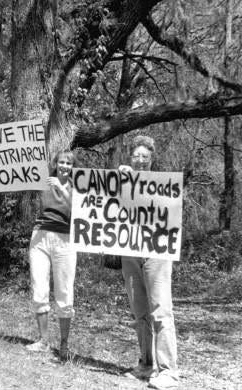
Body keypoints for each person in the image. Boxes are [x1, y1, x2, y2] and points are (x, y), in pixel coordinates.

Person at [118, 135, 179, 390]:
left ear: (151, 159)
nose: (140, 160)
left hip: (156, 253)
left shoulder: (162, 185)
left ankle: (169, 371)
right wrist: (120, 179)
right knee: (140, 311)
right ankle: (145, 364)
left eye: (145, 156)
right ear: (130, 157)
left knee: (160, 310)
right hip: (129, 252)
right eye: (136, 156)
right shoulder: (121, 181)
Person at [26, 150, 78, 361]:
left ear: (73, 167)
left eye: (69, 163)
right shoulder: (44, 182)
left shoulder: (78, 187)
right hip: (40, 236)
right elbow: (20, 174)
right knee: (39, 287)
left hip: (65, 239)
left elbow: (81, 211)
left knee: (64, 291)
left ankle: (64, 345)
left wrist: (62, 190)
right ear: (55, 163)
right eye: (61, 162)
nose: (64, 165)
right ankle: (43, 340)